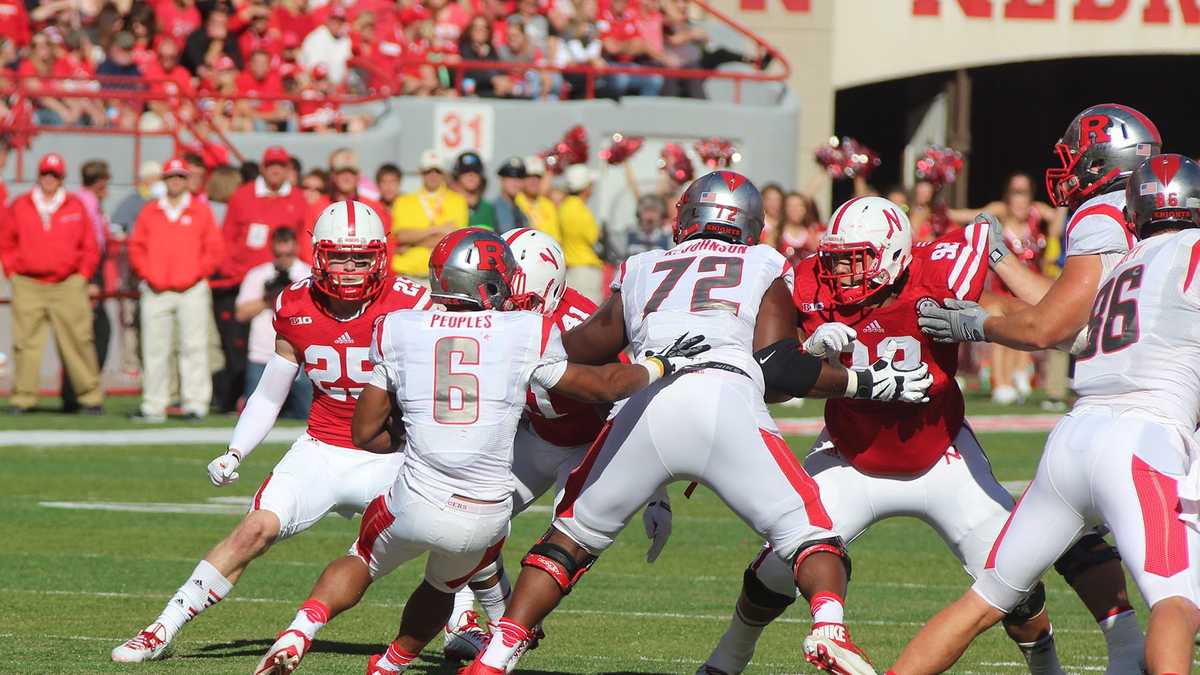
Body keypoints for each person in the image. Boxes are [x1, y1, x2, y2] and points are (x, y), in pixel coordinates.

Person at [462, 171, 934, 675]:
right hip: (722, 397)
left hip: (646, 403)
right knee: (809, 535)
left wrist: (520, 350)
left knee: (568, 539)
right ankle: (829, 626)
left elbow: (587, 347)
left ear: (685, 217)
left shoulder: (643, 265)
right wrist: (863, 381)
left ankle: (495, 656)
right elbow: (776, 366)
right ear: (751, 224)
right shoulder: (763, 261)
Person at [254, 228, 700, 675]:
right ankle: (393, 664)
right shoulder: (527, 329)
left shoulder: (400, 325)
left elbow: (365, 433)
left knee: (363, 558)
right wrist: (660, 363)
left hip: (426, 492)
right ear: (492, 281)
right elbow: (605, 383)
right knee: (454, 581)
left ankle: (300, 630)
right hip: (485, 514)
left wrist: (415, 434)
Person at [697, 197, 1092, 674]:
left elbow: (1008, 315)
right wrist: (805, 358)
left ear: (894, 254)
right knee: (777, 566)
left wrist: (979, 324)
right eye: (835, 257)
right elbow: (770, 386)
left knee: (1016, 580)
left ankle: (1047, 665)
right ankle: (725, 660)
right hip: (851, 453)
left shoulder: (937, 271)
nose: (840, 271)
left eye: (856, 257)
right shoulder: (807, 285)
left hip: (942, 454)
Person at [891, 154, 1200, 675]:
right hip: (1143, 438)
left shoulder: (1124, 261)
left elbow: (1061, 327)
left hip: (1072, 439)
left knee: (981, 603)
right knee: (1176, 600)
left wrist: (990, 308)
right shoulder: (1191, 250)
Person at [111, 201, 431, 662]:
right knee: (252, 531)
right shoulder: (295, 302)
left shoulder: (412, 303)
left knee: (445, 531)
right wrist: (236, 451)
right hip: (322, 448)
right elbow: (269, 391)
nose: (351, 266)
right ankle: (163, 627)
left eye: (361, 256)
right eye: (340, 255)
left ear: (379, 256)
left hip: (391, 453)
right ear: (320, 254)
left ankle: (465, 624)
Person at [441, 227, 611, 662]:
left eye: (527, 304)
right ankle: (463, 618)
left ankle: (509, 639)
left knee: (560, 550)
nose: (514, 313)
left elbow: (624, 397)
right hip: (533, 437)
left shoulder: (586, 323)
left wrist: (653, 493)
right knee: (463, 520)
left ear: (551, 289)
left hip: (586, 448)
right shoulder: (493, 315)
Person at [947, 172, 1066, 405]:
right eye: (1015, 193)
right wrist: (939, 208)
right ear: (1008, 195)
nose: (1019, 199)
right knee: (1000, 333)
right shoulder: (999, 211)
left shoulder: (1037, 211)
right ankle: (1000, 384)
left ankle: (1017, 376)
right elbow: (967, 217)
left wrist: (1062, 200)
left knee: (1024, 332)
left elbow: (1058, 227)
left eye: (1024, 193)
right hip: (1002, 287)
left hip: (1027, 285)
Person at [0, 153, 103, 414]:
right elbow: (6, 241)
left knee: (78, 340)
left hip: (68, 283)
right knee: (25, 342)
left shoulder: (74, 205)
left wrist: (82, 275)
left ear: (61, 178)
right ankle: (24, 398)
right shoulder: (21, 204)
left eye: (54, 175)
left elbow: (90, 245)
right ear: (39, 175)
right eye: (46, 173)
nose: (49, 179)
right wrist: (13, 272)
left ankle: (89, 397)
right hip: (28, 282)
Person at [211, 146, 308, 413]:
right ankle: (231, 400)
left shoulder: (297, 198)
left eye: (281, 165)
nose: (276, 170)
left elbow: (303, 237)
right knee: (236, 349)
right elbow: (227, 236)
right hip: (245, 281)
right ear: (263, 168)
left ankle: (291, 403)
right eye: (271, 165)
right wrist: (232, 269)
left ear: (288, 169)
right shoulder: (243, 196)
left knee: (289, 340)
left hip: (286, 281)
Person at [127, 158, 223, 422]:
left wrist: (195, 273)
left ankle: (195, 403)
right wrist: (148, 273)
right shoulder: (150, 211)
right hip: (157, 289)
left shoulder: (200, 211)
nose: (176, 182)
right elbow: (136, 247)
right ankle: (154, 404)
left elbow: (213, 249)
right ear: (164, 180)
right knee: (154, 349)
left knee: (194, 346)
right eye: (171, 177)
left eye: (180, 177)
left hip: (191, 288)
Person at [235, 227, 311, 419]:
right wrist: (268, 299)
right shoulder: (259, 275)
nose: (284, 258)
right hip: (262, 355)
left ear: (296, 248)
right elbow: (241, 314)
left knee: (307, 415)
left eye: (288, 254)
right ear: (272, 250)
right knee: (253, 415)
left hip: (300, 356)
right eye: (279, 254)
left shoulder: (308, 275)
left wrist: (289, 298)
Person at [61, 159, 113, 413]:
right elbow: (88, 244)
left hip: (89, 273)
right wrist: (91, 280)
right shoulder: (84, 203)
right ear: (101, 181)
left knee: (88, 335)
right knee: (89, 336)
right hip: (88, 276)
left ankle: (75, 393)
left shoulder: (85, 202)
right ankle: (79, 393)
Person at [390, 149, 469, 283]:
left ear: (444, 173)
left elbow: (454, 241)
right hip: (408, 274)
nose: (433, 175)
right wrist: (436, 230)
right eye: (428, 171)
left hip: (443, 276)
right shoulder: (403, 201)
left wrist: (412, 243)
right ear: (420, 172)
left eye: (437, 171)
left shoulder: (458, 201)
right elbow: (400, 237)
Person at [558, 164, 604, 302]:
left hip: (571, 269)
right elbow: (594, 238)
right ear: (585, 187)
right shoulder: (582, 211)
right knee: (590, 316)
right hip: (585, 270)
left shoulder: (564, 207)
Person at [606, 193, 671, 264]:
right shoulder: (627, 236)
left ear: (661, 215)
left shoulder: (669, 239)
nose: (650, 216)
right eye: (646, 211)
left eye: (654, 211)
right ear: (639, 214)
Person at [299, 4, 352, 85]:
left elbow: (348, 66)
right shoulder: (316, 37)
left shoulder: (345, 39)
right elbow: (315, 70)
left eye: (340, 20)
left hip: (337, 89)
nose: (337, 23)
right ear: (327, 20)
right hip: (314, 84)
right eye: (334, 19)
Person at [516, 155, 560, 241]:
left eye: (538, 177)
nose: (534, 181)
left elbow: (557, 238)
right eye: (529, 176)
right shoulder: (515, 201)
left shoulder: (548, 205)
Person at [452, 151, 496, 230]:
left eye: (476, 171)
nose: (471, 175)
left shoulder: (488, 208)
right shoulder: (448, 205)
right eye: (465, 171)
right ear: (457, 176)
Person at [494, 156, 529, 234]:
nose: (515, 182)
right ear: (502, 180)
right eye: (510, 177)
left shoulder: (521, 210)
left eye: (520, 178)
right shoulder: (491, 209)